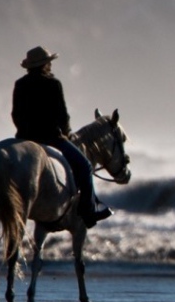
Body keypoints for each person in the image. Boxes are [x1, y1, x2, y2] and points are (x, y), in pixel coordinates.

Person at [11, 46, 112, 228]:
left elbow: (15, 114)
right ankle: (89, 212)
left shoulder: (20, 84)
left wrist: (24, 132)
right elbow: (62, 115)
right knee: (85, 166)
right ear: (45, 65)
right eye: (49, 62)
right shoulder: (53, 84)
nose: (50, 65)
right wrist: (66, 133)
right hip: (50, 138)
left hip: (24, 139)